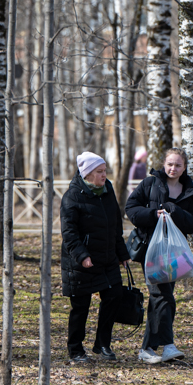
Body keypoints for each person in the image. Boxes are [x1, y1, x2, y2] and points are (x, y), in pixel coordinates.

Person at [124, 148, 193, 364]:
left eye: (178, 165)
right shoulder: (150, 184)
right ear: (163, 164)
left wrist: (174, 210)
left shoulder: (190, 192)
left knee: (161, 299)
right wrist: (153, 213)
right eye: (169, 164)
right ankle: (168, 346)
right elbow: (131, 209)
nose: (173, 168)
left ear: (184, 167)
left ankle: (147, 348)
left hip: (176, 254)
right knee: (163, 296)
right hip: (151, 250)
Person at [60, 151, 131, 364]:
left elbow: (115, 226)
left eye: (104, 171)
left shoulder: (108, 190)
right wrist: (82, 256)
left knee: (114, 296)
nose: (104, 175)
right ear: (87, 174)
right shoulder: (72, 196)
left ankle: (102, 343)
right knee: (80, 306)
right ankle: (75, 349)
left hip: (107, 257)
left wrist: (122, 253)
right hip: (81, 261)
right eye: (99, 172)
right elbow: (69, 232)